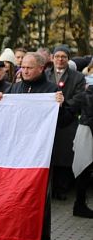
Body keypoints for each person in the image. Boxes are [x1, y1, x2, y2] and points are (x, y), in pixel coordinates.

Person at [0, 52, 67, 240]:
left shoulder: (51, 90)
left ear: (41, 68)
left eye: (29, 67)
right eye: (22, 67)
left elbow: (65, 121)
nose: (24, 71)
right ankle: (13, 237)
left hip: (39, 152)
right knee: (14, 195)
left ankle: (39, 239)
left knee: (39, 196)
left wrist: (61, 106)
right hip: (16, 152)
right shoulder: (14, 88)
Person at [45, 44, 85, 201]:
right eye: (57, 56)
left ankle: (62, 189)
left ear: (68, 59)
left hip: (67, 120)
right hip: (48, 121)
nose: (60, 60)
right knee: (49, 155)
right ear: (52, 58)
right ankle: (50, 188)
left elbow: (80, 97)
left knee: (65, 155)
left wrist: (64, 105)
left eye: (63, 57)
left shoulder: (77, 77)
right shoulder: (46, 74)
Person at [68, 75, 93, 218]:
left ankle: (80, 204)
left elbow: (68, 107)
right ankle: (80, 205)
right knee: (83, 170)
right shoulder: (84, 96)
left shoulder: (83, 95)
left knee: (83, 169)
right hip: (86, 133)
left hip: (85, 132)